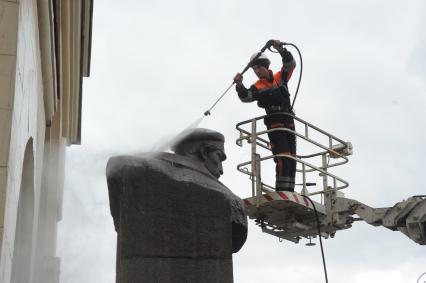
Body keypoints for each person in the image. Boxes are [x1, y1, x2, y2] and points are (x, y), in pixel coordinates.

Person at [233, 40, 297, 192]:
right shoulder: (257, 86)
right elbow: (246, 97)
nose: (257, 71)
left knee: (292, 159)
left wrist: (280, 48)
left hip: (289, 120)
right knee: (283, 157)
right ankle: (282, 192)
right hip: (274, 122)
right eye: (254, 69)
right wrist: (239, 85)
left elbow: (291, 63)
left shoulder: (280, 77)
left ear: (265, 66)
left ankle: (289, 191)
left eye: (259, 67)